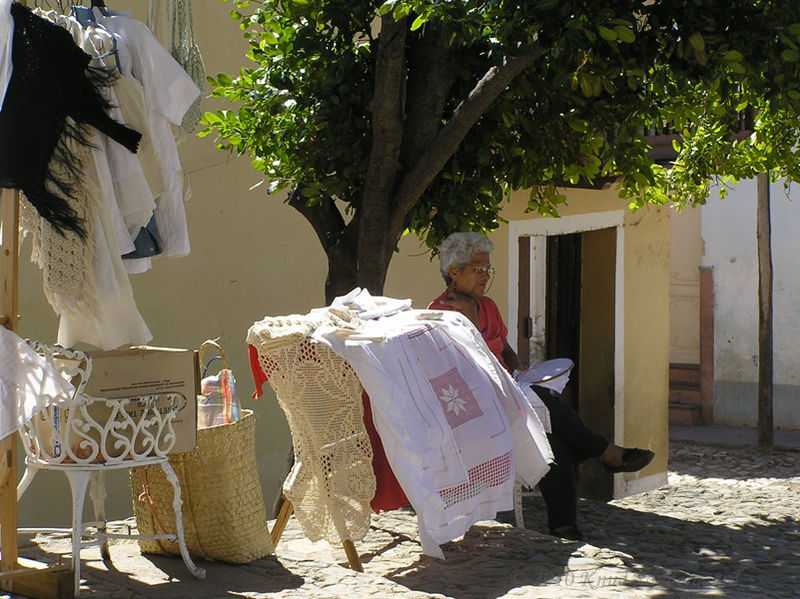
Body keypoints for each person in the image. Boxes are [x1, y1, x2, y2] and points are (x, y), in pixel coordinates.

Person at [428, 232, 654, 540]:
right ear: (455, 271)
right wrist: (468, 323)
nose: (485, 276)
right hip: (479, 404)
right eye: (478, 269)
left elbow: (502, 343)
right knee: (547, 403)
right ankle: (604, 452)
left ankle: (564, 525)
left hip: (506, 388)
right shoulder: (440, 313)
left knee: (551, 439)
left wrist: (517, 362)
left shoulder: (487, 305)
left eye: (488, 270)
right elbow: (459, 366)